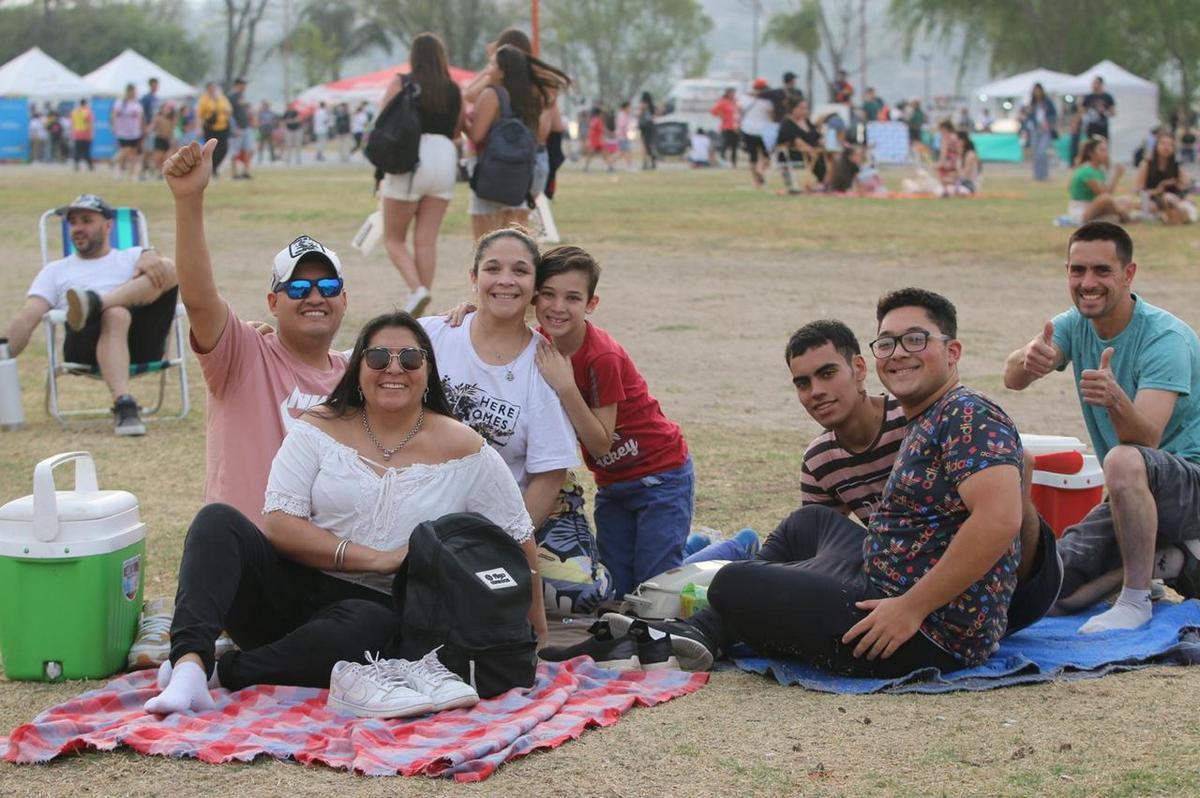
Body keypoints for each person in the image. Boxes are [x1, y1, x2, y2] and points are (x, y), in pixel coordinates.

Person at [601, 289, 1026, 677]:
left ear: (952, 351)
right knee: (808, 524)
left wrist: (911, 608)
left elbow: (999, 519)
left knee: (734, 582)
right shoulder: (928, 417)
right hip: (885, 582)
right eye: (887, 343)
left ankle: (711, 624)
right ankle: (710, 625)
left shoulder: (966, 414)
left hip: (923, 630)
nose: (899, 354)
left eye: (916, 340)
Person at [142, 311, 536, 715]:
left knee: (370, 627)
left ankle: (224, 673)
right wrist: (378, 559)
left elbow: (517, 538)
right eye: (379, 357)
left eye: (411, 359)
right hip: (290, 591)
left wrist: (532, 638)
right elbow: (279, 523)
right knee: (217, 520)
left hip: (377, 615)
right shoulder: (318, 427)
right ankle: (189, 663)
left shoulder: (466, 448)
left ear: (428, 370)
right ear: (358, 368)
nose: (394, 369)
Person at [1004, 222, 1200, 633]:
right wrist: (1028, 359)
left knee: (1124, 459)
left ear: (1128, 274)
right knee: (1049, 591)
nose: (1087, 283)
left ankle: (1136, 598)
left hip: (1189, 486)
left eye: (1101, 271)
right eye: (1077, 271)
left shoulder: (1166, 339)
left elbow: (1147, 443)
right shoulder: (1075, 323)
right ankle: (1169, 561)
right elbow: (1011, 379)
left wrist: (1115, 400)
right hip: (1133, 498)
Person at [162, 138, 349, 526]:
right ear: (273, 302)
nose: (314, 296)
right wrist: (188, 200)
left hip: (326, 557)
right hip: (249, 550)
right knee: (214, 528)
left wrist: (471, 313)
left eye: (327, 287)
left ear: (344, 300)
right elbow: (199, 299)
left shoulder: (360, 374)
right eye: (297, 288)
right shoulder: (243, 354)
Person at [419, 227, 581, 642]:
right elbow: (348, 365)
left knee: (575, 595)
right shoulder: (434, 336)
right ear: (474, 278)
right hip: (422, 511)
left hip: (502, 522)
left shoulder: (542, 363)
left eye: (520, 271)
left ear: (534, 289)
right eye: (493, 268)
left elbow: (549, 475)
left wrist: (504, 545)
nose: (506, 279)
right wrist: (273, 339)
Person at [530, 246, 693, 599]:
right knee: (616, 592)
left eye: (572, 297)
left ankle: (731, 552)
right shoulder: (540, 343)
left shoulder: (601, 356)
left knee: (654, 591)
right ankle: (685, 550)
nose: (558, 307)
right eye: (548, 294)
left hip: (659, 477)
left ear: (591, 304)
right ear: (534, 296)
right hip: (613, 486)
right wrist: (467, 310)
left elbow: (601, 442)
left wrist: (565, 386)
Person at [4, 194, 178, 436]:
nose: (77, 228)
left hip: (141, 344)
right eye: (73, 222)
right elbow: (27, 318)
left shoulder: (133, 256)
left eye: (86, 220)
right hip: (84, 347)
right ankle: (123, 403)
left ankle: (95, 303)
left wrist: (151, 254)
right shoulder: (55, 271)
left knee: (169, 268)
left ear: (108, 226)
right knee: (116, 314)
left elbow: (168, 270)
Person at [378, 32, 464, 318]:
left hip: (410, 157)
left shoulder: (402, 82)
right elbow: (457, 130)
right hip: (445, 157)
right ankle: (422, 302)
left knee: (393, 238)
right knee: (426, 239)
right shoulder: (453, 88)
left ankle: (417, 290)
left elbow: (383, 122)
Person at [465, 43, 569, 239]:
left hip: (492, 176)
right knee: (514, 241)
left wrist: (462, 123)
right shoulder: (530, 96)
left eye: (492, 65)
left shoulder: (492, 94)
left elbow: (476, 135)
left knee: (484, 245)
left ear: (503, 72)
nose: (488, 70)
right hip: (519, 180)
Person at [1135, 130, 1195, 225]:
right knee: (1163, 201)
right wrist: (1159, 189)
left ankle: (1173, 214)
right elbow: (1139, 190)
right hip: (1153, 200)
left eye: (1170, 145)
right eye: (1163, 143)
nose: (1166, 147)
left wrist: (1178, 184)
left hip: (1174, 198)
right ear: (1156, 146)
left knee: (1185, 201)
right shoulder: (1146, 165)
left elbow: (1185, 188)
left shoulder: (1176, 166)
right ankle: (1173, 215)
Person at [1068, 137, 1130, 223]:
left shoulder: (1099, 170)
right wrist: (1115, 176)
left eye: (1106, 150)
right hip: (1081, 211)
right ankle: (1122, 217)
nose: (1106, 154)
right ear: (1091, 153)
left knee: (1125, 200)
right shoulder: (1086, 171)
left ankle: (1120, 216)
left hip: (1093, 206)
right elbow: (1104, 195)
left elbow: (1108, 193)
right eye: (1102, 150)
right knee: (1106, 199)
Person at [776, 98, 825, 193]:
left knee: (831, 157)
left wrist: (823, 142)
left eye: (806, 108)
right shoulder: (787, 124)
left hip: (812, 151)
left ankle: (829, 182)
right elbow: (797, 142)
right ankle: (822, 182)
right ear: (793, 109)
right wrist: (811, 150)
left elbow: (817, 135)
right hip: (792, 153)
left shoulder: (807, 122)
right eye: (802, 108)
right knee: (816, 157)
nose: (805, 111)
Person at [739, 79, 774, 188]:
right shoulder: (768, 102)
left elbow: (740, 112)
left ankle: (756, 181)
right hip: (763, 130)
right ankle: (761, 171)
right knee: (767, 156)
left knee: (752, 157)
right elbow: (771, 117)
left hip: (747, 129)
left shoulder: (744, 99)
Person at [1023, 82, 1057, 182]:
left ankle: (1044, 174)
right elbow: (1028, 117)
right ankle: (1037, 175)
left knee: (1042, 152)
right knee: (1036, 153)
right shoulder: (1032, 104)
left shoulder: (1047, 102)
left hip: (1045, 130)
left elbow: (1053, 115)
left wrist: (1048, 123)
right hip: (1034, 129)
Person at [197, 82, 232, 178]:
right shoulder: (204, 100)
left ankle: (215, 166)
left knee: (223, 148)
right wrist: (200, 128)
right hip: (210, 128)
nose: (212, 90)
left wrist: (226, 112)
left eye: (214, 88)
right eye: (210, 88)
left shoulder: (221, 98)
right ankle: (212, 169)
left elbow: (229, 110)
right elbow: (200, 115)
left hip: (223, 127)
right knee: (212, 149)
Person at [111, 83, 145, 181]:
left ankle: (132, 174)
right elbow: (114, 115)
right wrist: (114, 126)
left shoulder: (137, 104)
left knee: (133, 154)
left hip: (135, 132)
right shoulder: (120, 103)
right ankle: (118, 169)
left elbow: (141, 118)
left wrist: (142, 130)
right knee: (125, 151)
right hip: (123, 132)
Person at [227, 77, 254, 180]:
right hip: (237, 128)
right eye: (243, 84)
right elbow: (229, 114)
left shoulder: (242, 97)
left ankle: (246, 172)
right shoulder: (232, 97)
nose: (245, 87)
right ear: (237, 85)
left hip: (246, 127)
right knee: (235, 151)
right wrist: (233, 127)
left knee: (248, 149)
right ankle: (234, 173)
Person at [710, 88, 740, 167]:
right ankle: (722, 159)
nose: (732, 94)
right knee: (725, 144)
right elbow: (713, 111)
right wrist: (721, 116)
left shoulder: (735, 102)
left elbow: (738, 112)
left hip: (735, 126)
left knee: (734, 145)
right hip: (726, 126)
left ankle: (734, 162)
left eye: (733, 93)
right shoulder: (723, 102)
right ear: (727, 93)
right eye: (731, 93)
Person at [139, 78, 161, 178]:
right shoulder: (145, 99)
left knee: (153, 151)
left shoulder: (156, 99)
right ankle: (143, 172)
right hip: (148, 128)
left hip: (156, 129)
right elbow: (142, 114)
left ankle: (150, 170)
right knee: (147, 151)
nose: (156, 87)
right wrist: (145, 127)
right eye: (154, 85)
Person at [1082, 76, 1116, 141]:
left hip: (1102, 126)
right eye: (1093, 83)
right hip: (1091, 127)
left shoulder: (1107, 97)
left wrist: (1104, 111)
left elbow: (1113, 112)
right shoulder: (1088, 97)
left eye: (1096, 83)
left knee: (1102, 143)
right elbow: (1083, 111)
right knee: (1091, 144)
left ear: (1101, 84)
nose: (1094, 85)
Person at [583, 106, 614, 172]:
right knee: (603, 154)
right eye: (601, 113)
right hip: (597, 141)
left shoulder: (593, 120)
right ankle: (610, 167)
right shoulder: (598, 120)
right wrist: (610, 133)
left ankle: (610, 167)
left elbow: (593, 130)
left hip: (594, 140)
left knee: (600, 154)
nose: (602, 114)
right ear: (599, 113)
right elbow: (603, 129)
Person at [150, 102, 177, 175]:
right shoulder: (158, 118)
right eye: (166, 108)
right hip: (159, 139)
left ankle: (160, 173)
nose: (167, 110)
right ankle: (153, 171)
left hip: (167, 140)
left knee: (165, 158)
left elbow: (172, 130)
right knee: (158, 158)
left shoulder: (171, 119)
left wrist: (173, 140)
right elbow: (153, 128)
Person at [614, 100, 634, 169]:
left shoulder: (626, 115)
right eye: (629, 107)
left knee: (622, 152)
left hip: (623, 136)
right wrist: (625, 134)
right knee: (626, 151)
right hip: (622, 136)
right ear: (625, 107)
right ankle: (629, 166)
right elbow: (622, 126)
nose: (630, 109)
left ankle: (610, 163)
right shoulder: (622, 115)